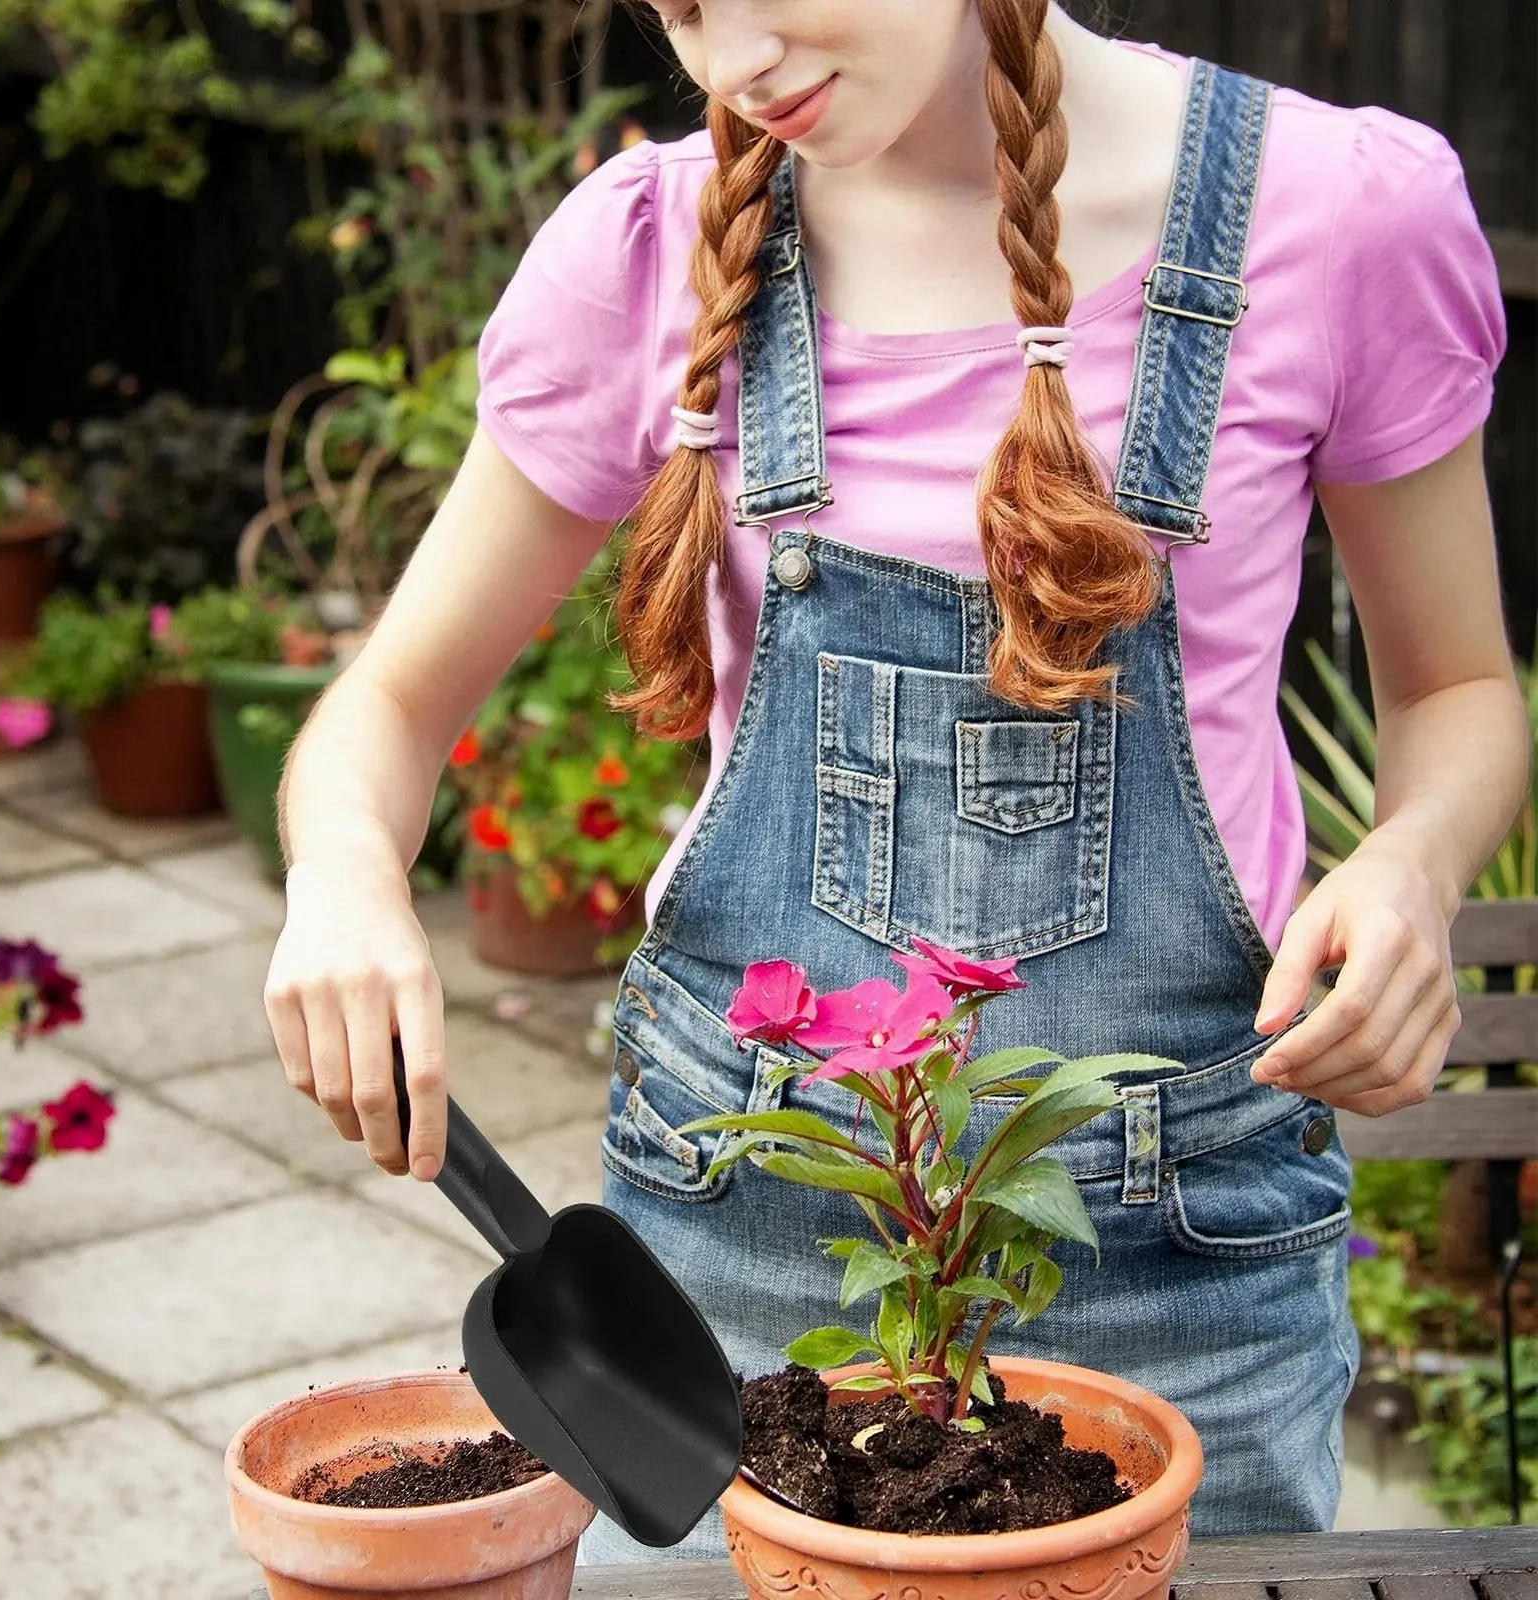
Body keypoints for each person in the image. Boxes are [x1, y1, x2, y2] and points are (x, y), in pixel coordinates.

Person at [262, 0, 1528, 1559]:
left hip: (1184, 1266)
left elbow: (1458, 689)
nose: (732, 66)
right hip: (731, 1277)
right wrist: (344, 874)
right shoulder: (650, 252)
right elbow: (387, 706)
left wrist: (1411, 862)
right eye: (682, 9)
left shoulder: (1333, 217)